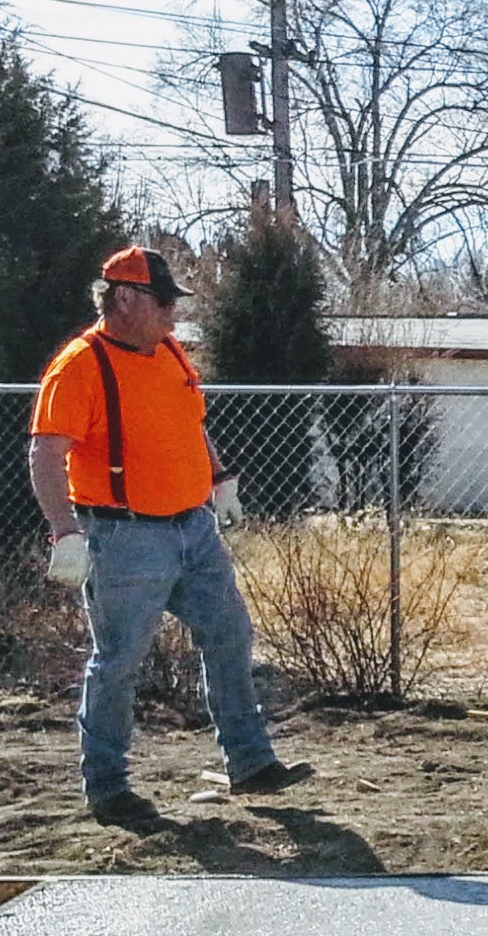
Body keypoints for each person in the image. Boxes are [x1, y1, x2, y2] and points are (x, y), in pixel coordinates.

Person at [28, 245, 312, 826]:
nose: (172, 314)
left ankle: (251, 762)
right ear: (124, 299)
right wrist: (65, 532)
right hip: (123, 536)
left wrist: (220, 480)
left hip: (194, 528)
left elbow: (191, 423)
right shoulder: (80, 365)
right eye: (162, 301)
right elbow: (45, 453)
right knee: (119, 661)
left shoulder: (170, 353)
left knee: (229, 633)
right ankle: (107, 787)